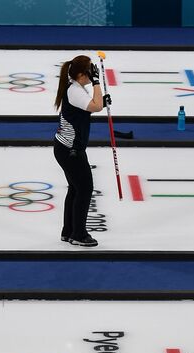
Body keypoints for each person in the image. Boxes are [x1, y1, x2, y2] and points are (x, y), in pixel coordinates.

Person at [53, 54, 111, 248]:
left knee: (75, 188)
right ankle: (79, 233)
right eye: (89, 73)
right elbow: (95, 106)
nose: (91, 75)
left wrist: (101, 98)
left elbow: (96, 104)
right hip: (71, 151)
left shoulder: (75, 88)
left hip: (66, 148)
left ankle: (68, 231)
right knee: (84, 189)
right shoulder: (75, 91)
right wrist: (97, 83)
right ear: (80, 75)